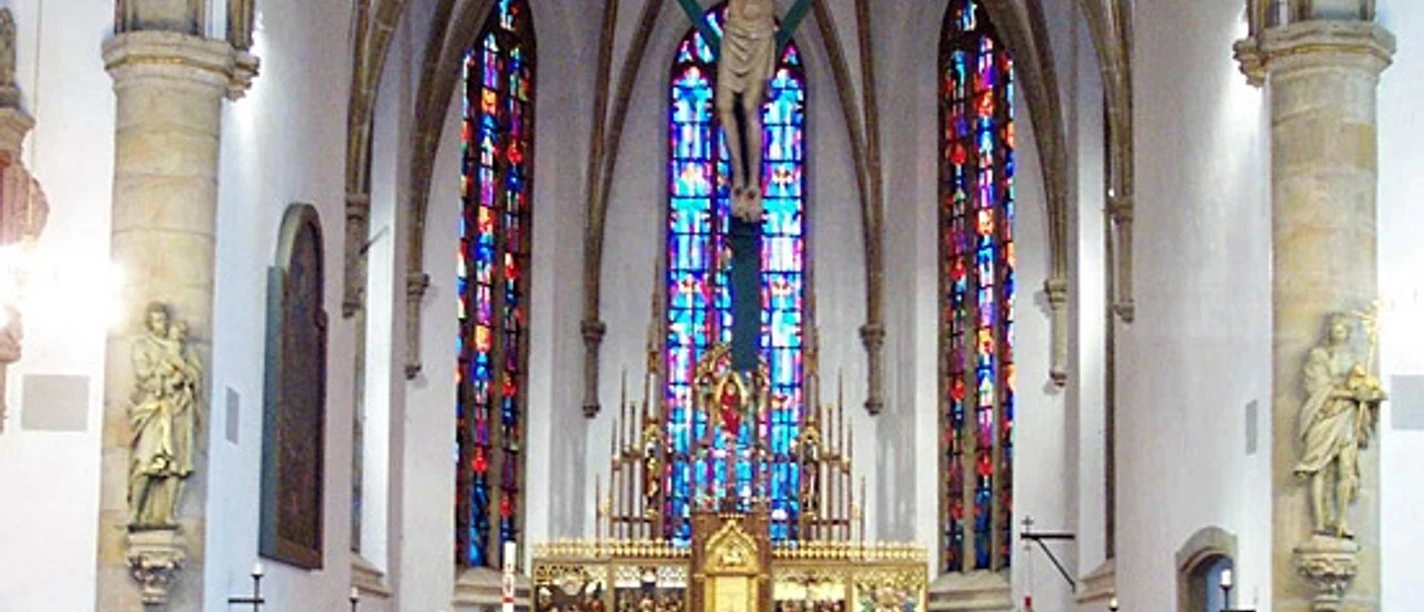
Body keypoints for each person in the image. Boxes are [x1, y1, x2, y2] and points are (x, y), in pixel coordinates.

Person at [1293, 313, 1385, 538]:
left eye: (1343, 330)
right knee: (1320, 469)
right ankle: (1320, 523)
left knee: (1346, 468)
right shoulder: (1319, 355)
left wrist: (1370, 394)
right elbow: (1319, 388)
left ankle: (1342, 522)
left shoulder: (1354, 357)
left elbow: (1363, 384)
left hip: (1347, 417)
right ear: (1329, 331)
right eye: (1335, 329)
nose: (1339, 333)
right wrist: (1352, 394)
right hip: (1324, 415)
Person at [717, 0, 777, 222]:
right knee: (724, 105)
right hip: (734, 32)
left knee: (751, 106)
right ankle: (738, 176)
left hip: (760, 33)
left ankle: (753, 181)